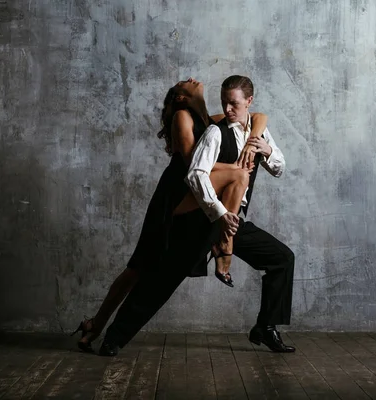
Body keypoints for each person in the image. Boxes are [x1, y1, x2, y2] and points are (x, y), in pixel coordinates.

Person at [97, 75, 295, 356]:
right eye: (224, 103)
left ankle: (266, 327)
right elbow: (195, 175)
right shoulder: (215, 133)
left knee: (282, 259)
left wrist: (267, 149)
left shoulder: (258, 133)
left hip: (233, 220)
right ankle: (113, 338)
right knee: (161, 280)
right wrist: (219, 213)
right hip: (206, 219)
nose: (228, 110)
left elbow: (279, 167)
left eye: (234, 104)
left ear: (249, 101)